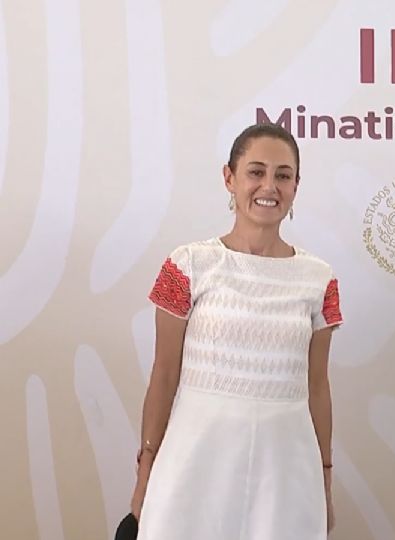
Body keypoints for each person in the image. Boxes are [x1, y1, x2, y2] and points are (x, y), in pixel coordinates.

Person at [130, 122, 342, 539]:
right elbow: (165, 374)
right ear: (229, 177)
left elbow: (317, 386)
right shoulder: (188, 264)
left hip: (285, 469)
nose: (269, 186)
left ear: (296, 186)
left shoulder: (319, 279)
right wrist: (146, 469)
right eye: (256, 171)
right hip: (194, 462)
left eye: (283, 175)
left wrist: (325, 480)